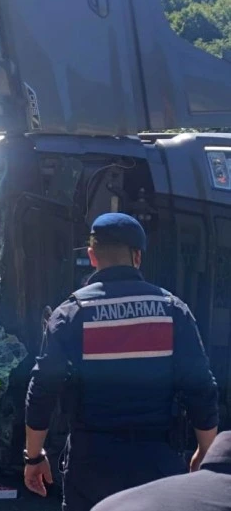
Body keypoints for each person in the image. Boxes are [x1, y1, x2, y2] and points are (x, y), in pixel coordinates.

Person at [23, 212, 219, 511]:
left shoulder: (72, 313)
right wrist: (206, 449)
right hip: (158, 463)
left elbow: (42, 390)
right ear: (137, 256)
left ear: (92, 256)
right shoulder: (172, 310)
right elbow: (201, 387)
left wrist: (34, 457)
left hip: (91, 465)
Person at [91, 430, 231, 511]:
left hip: (89, 457)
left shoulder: (110, 506)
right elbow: (200, 392)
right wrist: (204, 449)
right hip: (158, 460)